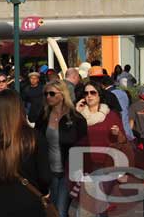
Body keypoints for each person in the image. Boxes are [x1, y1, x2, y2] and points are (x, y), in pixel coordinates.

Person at [0, 89, 51, 217]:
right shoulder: (35, 138)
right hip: (30, 203)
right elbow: (45, 177)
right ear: (20, 108)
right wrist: (44, 191)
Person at [74, 82, 134, 216]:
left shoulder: (110, 115)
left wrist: (118, 133)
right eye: (86, 93)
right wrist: (76, 112)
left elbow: (123, 140)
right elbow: (73, 138)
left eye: (93, 92)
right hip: (85, 166)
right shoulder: (79, 115)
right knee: (87, 206)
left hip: (106, 165)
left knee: (99, 205)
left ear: (100, 95)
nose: (89, 96)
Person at [35, 81, 87, 217]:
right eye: (45, 94)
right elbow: (36, 141)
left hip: (67, 171)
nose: (48, 97)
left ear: (62, 95)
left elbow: (83, 145)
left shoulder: (76, 118)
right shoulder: (43, 116)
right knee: (50, 209)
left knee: (61, 211)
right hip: (48, 171)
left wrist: (81, 171)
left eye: (52, 93)